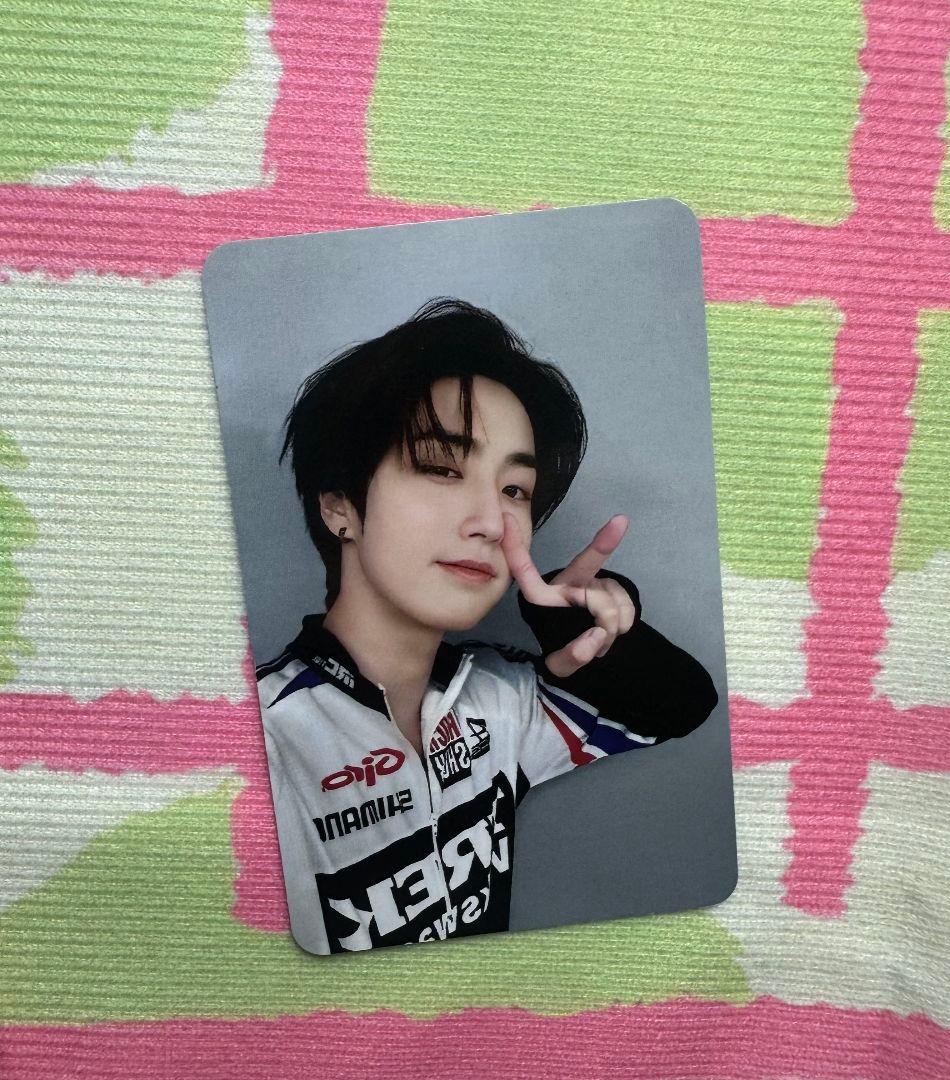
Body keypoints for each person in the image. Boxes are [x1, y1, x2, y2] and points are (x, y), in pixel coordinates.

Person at [256, 297, 717, 954]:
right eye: (442, 468)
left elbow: (681, 706)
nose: (490, 523)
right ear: (339, 507)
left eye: (514, 490)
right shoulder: (266, 739)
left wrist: (568, 621)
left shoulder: (497, 698)